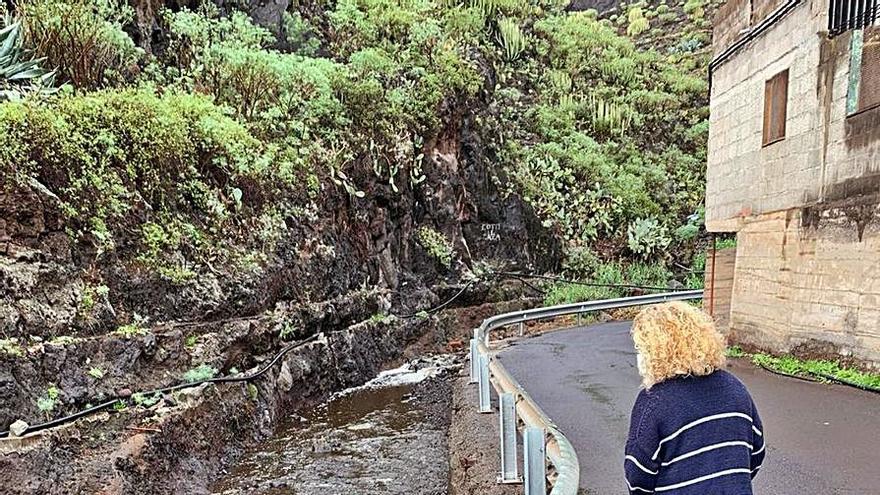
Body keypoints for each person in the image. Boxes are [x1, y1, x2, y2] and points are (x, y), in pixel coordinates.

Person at [624, 302, 765, 494]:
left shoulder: (653, 401)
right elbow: (756, 451)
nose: (639, 357)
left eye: (642, 350)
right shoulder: (735, 389)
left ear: (658, 352)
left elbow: (638, 474)